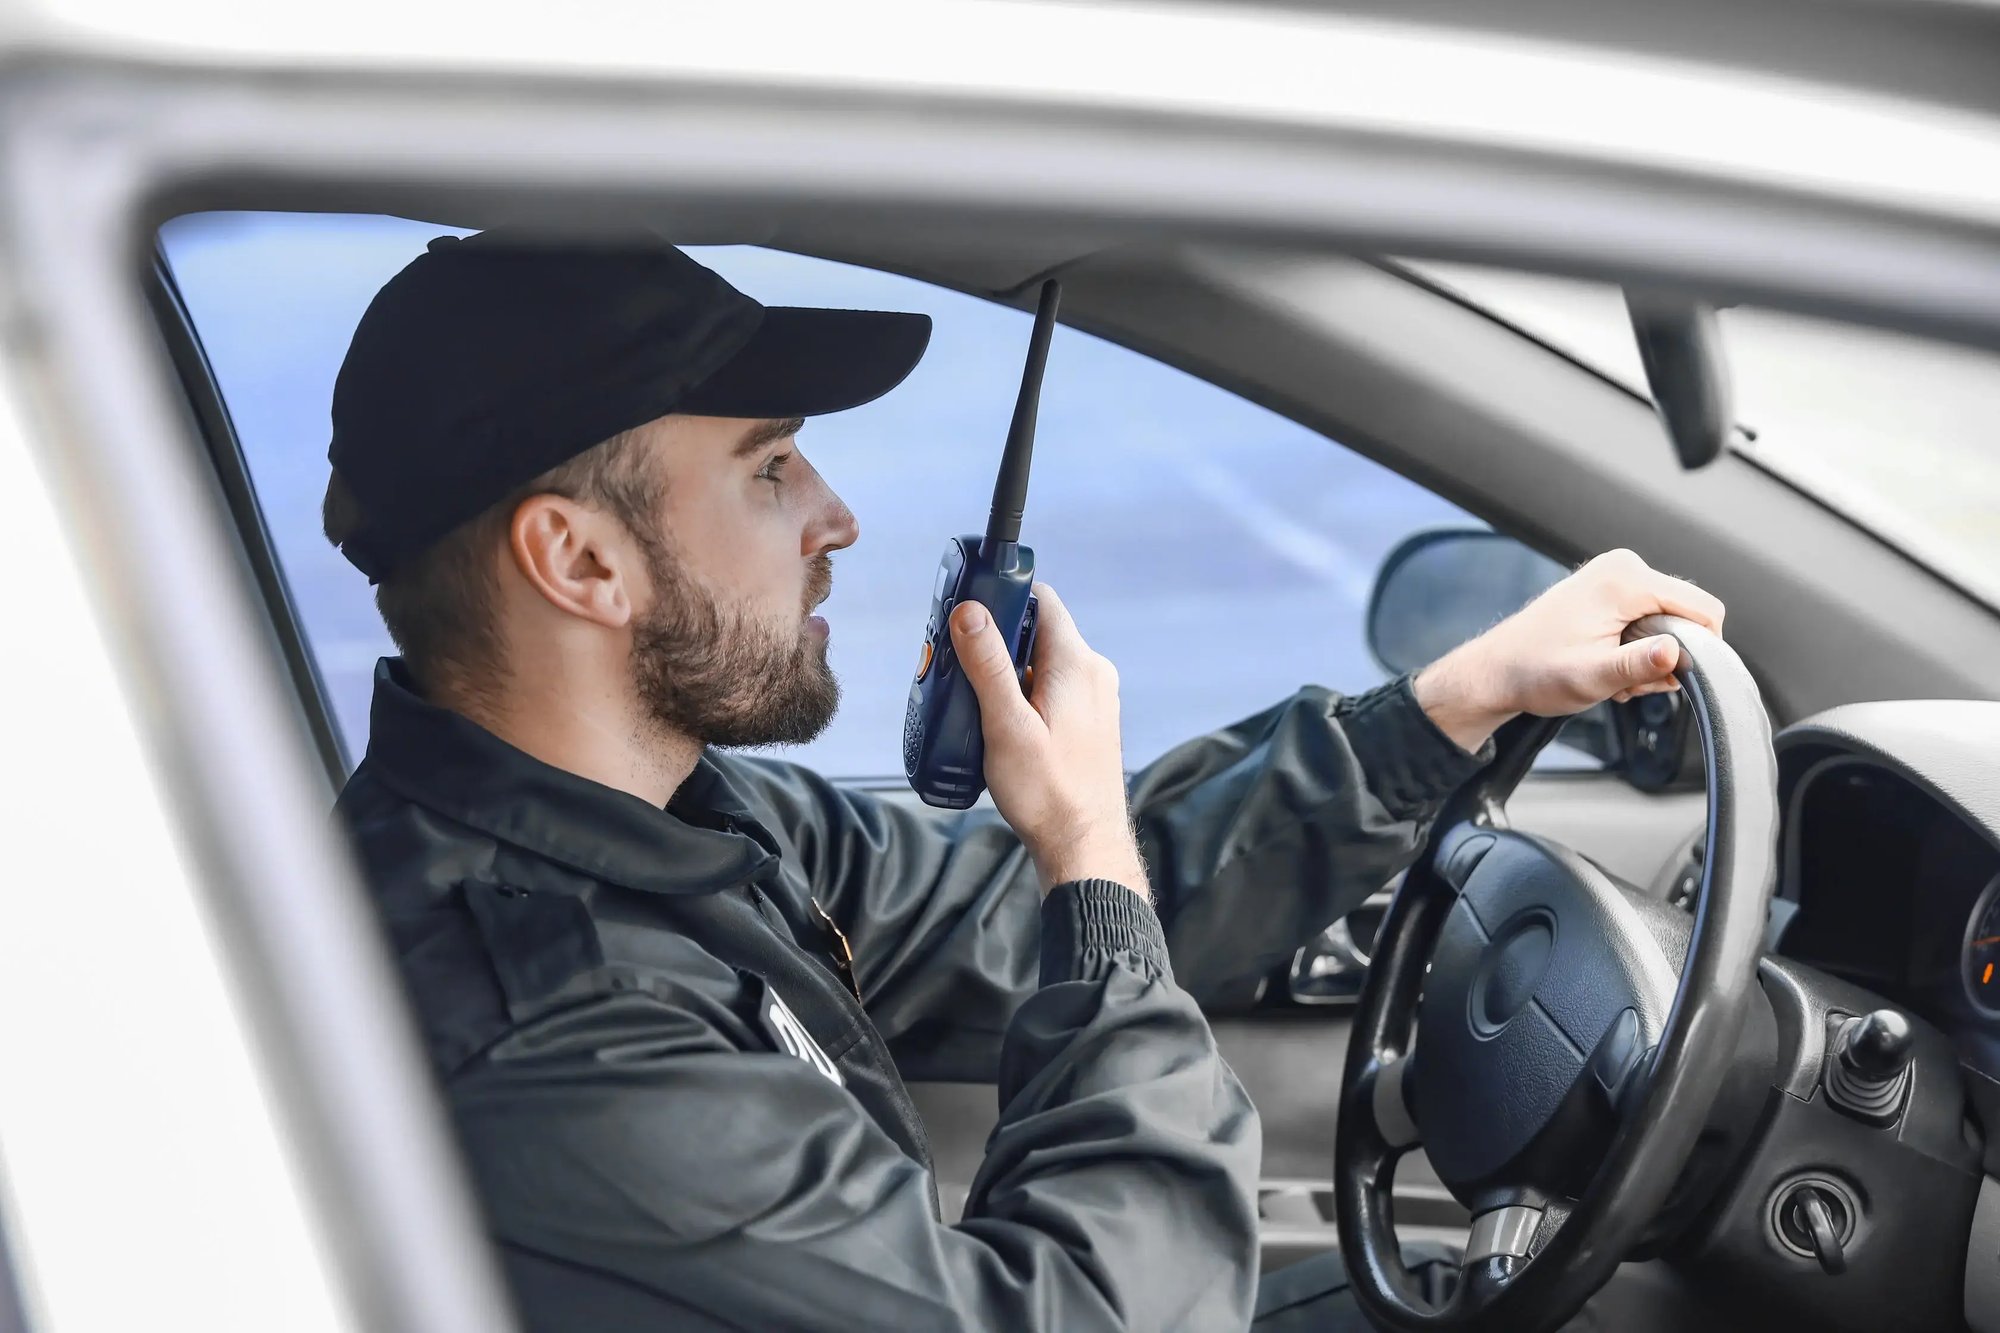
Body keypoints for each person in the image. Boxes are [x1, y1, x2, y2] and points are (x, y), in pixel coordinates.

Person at [323, 231, 1724, 1331]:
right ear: (581, 562)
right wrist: (1090, 851)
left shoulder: (679, 820)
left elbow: (1015, 909)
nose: (836, 517)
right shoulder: (557, 1042)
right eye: (768, 469)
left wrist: (1458, 700)